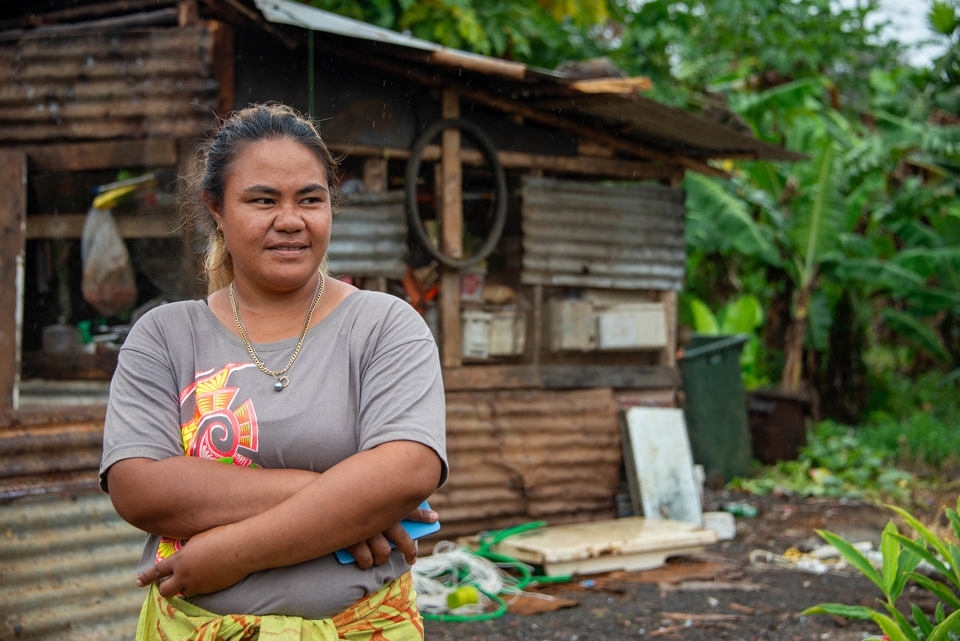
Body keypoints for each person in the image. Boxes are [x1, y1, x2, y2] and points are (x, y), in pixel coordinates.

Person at [98, 102, 447, 640]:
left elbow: (406, 472)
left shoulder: (385, 325)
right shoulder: (165, 336)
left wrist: (230, 553)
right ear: (216, 209)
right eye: (263, 200)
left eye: (310, 199)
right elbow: (140, 488)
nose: (290, 219)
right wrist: (346, 501)